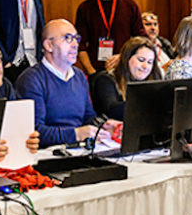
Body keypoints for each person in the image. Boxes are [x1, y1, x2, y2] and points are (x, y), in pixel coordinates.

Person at [15, 19, 120, 148]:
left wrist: (103, 126)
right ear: (49, 45)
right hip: (47, 153)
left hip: (78, 149)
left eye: (76, 38)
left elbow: (88, 117)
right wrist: (75, 134)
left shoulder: (79, 76)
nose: (75, 44)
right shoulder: (31, 79)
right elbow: (35, 132)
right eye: (67, 38)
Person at [73, 0, 144, 75]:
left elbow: (141, 39)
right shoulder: (85, 8)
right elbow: (80, 45)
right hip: (96, 71)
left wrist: (123, 56)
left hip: (125, 68)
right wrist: (92, 73)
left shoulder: (130, 5)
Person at [90, 36, 162, 120]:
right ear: (126, 58)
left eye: (150, 62)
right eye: (141, 60)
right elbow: (111, 110)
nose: (145, 66)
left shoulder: (153, 80)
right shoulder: (105, 79)